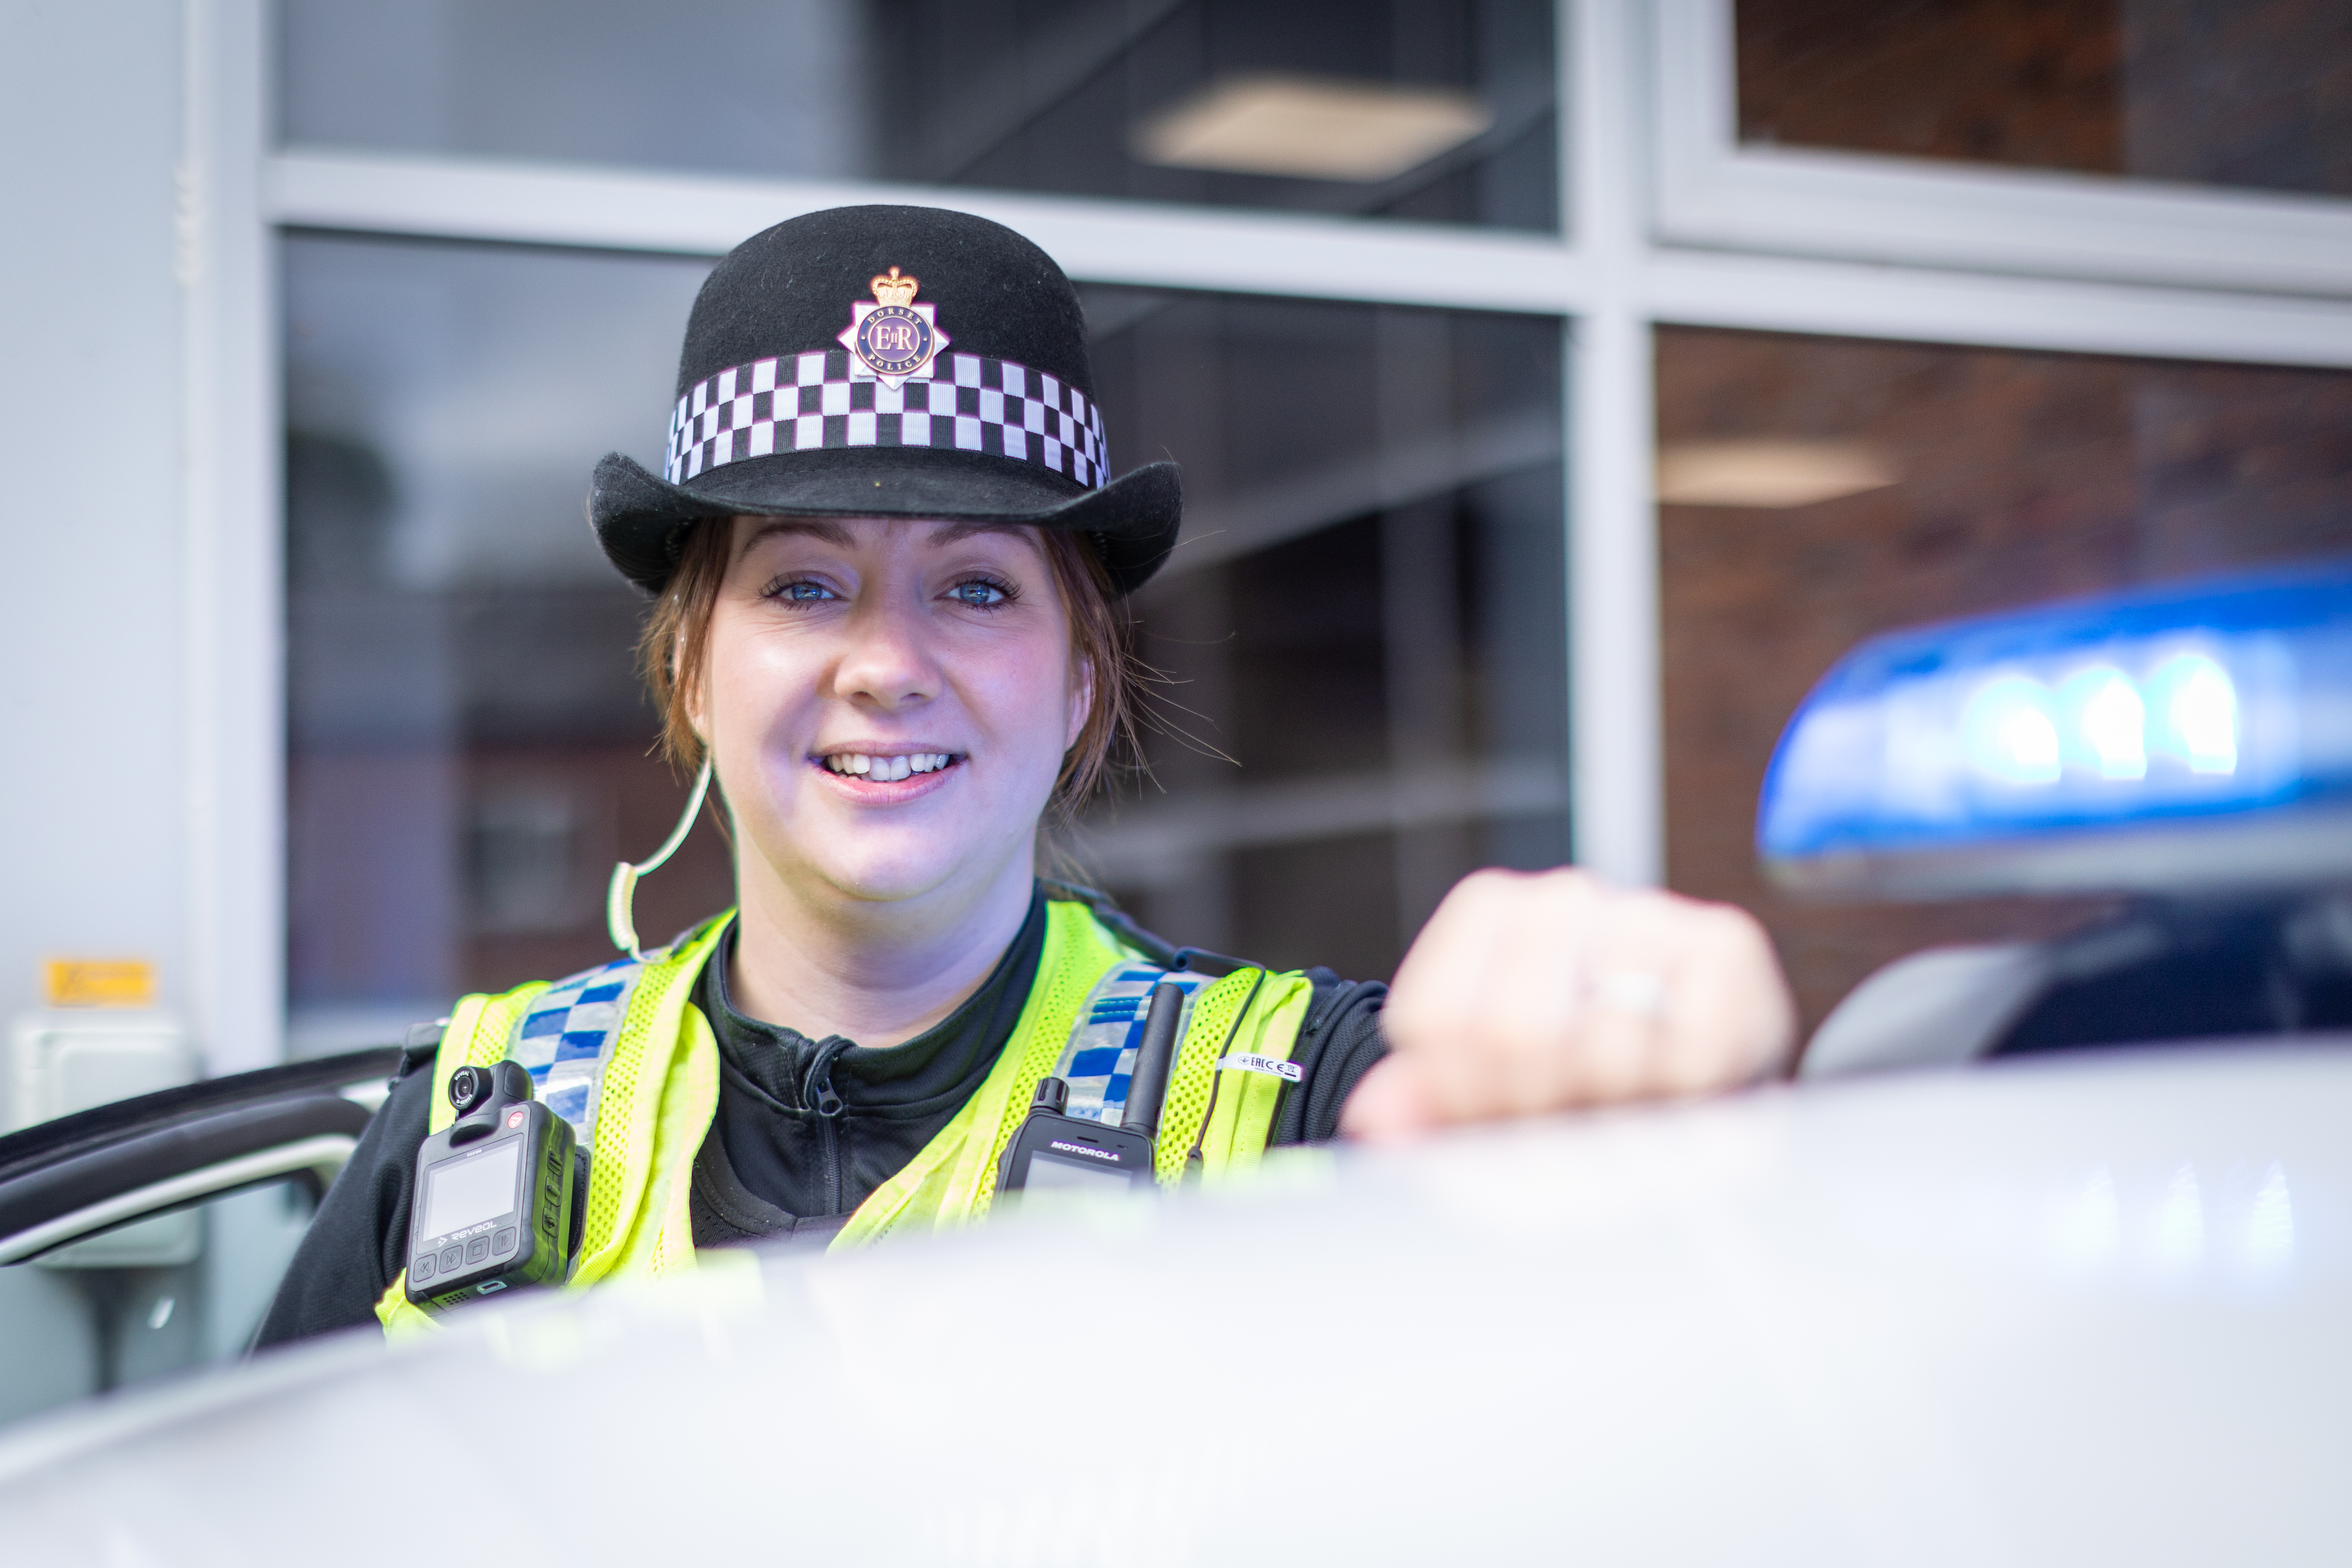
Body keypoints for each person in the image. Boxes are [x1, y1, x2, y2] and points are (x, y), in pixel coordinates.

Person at [257, 205, 1796, 1345]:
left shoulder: (1299, 1105)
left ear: (1078, 683)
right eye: (803, 586)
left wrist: (1669, 1093)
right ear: (689, 672)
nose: (887, 662)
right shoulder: (476, 1110)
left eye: (979, 587)